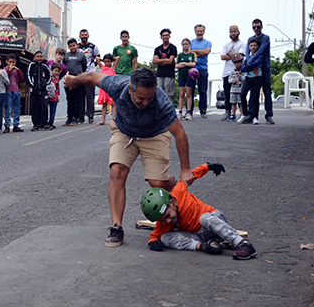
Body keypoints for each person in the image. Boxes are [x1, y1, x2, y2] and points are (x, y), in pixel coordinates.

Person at [65, 67, 192, 247]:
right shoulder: (117, 85)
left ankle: (178, 193)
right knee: (117, 172)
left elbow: (180, 134)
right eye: (141, 98)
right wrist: (74, 80)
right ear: (130, 89)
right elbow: (91, 76)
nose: (146, 102)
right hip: (124, 132)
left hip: (155, 135)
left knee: (157, 183)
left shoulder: (161, 101)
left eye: (150, 98)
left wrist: (185, 170)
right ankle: (117, 227)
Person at [141, 163, 257, 260]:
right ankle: (205, 246)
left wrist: (207, 167)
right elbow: (155, 235)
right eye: (163, 220)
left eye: (168, 215)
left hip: (212, 221)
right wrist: (153, 243)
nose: (168, 220)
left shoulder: (178, 191)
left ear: (172, 202)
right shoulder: (164, 222)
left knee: (204, 218)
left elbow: (191, 175)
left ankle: (243, 244)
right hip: (199, 236)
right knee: (165, 237)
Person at [242, 19, 274, 124]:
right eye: (254, 27)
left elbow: (261, 51)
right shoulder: (250, 39)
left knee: (267, 92)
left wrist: (250, 62)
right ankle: (251, 115)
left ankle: (269, 115)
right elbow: (247, 52)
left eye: (258, 27)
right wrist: (249, 63)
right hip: (252, 70)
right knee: (253, 93)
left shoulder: (265, 38)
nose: (256, 29)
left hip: (264, 68)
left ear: (261, 27)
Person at [219, 25, 245, 120]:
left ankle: (242, 113)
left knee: (240, 94)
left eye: (234, 31)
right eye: (231, 32)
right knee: (227, 94)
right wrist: (234, 55)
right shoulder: (227, 45)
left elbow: (240, 56)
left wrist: (229, 54)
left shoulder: (242, 44)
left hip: (239, 73)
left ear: (238, 32)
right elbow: (222, 57)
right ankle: (228, 112)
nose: (233, 33)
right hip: (227, 72)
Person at [79, 29, 101, 123]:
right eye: (82, 35)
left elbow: (98, 58)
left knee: (90, 96)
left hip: (90, 74)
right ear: (79, 36)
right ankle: (80, 116)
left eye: (85, 34)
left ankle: (90, 116)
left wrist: (93, 66)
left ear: (88, 35)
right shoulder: (77, 47)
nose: (84, 36)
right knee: (80, 96)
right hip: (80, 74)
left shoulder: (93, 47)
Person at [63, 38, 87, 125]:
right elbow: (63, 66)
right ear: (68, 47)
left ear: (77, 45)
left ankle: (76, 118)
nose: (72, 47)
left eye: (74, 45)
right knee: (69, 99)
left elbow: (84, 67)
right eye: (70, 46)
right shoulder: (66, 56)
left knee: (78, 99)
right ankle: (69, 117)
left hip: (78, 80)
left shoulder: (81, 55)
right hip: (68, 80)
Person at [190, 24, 212, 118]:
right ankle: (189, 110)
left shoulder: (207, 42)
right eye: (198, 31)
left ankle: (203, 110)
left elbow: (206, 52)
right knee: (190, 90)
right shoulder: (190, 42)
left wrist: (195, 52)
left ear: (204, 32)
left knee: (202, 90)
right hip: (192, 68)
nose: (199, 33)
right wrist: (200, 52)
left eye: (201, 31)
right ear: (195, 32)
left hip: (203, 69)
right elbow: (189, 53)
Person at [240, 38, 263, 125]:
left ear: (258, 47)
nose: (253, 47)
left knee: (254, 97)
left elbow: (257, 63)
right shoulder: (248, 57)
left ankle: (255, 116)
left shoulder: (260, 55)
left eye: (255, 45)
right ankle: (245, 113)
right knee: (243, 94)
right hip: (248, 78)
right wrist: (249, 66)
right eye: (251, 45)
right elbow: (242, 69)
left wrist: (249, 65)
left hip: (257, 78)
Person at [27, 50, 52, 131]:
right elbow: (28, 75)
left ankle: (44, 123)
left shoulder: (45, 67)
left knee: (44, 107)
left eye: (41, 56)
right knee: (35, 108)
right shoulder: (31, 65)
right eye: (37, 56)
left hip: (44, 91)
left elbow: (49, 76)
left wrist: (46, 84)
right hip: (34, 91)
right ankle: (36, 124)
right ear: (34, 58)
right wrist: (33, 86)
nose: (39, 58)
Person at [152, 29, 177, 100]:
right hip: (159, 74)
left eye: (166, 35)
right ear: (161, 37)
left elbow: (170, 61)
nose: (165, 37)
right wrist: (166, 59)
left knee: (168, 94)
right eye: (163, 35)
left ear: (169, 36)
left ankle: (168, 110)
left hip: (169, 74)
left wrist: (160, 61)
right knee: (158, 93)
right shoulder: (157, 49)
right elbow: (154, 61)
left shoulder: (173, 48)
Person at [175, 39, 196, 120]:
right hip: (181, 76)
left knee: (189, 93)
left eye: (186, 44)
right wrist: (187, 64)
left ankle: (188, 112)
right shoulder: (180, 55)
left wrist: (183, 63)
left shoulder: (192, 54)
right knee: (181, 94)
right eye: (183, 44)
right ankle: (180, 112)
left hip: (189, 76)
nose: (185, 46)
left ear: (189, 44)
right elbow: (177, 65)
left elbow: (193, 64)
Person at [3, 53, 24, 133]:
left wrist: (18, 70)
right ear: (7, 62)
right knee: (8, 108)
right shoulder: (4, 70)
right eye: (10, 62)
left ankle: (16, 125)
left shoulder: (17, 70)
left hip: (16, 90)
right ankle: (7, 126)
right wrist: (9, 70)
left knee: (17, 108)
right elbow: (5, 79)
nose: (12, 64)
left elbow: (22, 78)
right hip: (8, 91)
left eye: (13, 62)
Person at [96, 54, 116, 125]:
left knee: (113, 104)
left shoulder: (113, 68)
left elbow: (118, 58)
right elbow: (97, 58)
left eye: (108, 62)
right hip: (103, 89)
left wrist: (112, 59)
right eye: (105, 62)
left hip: (111, 88)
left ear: (111, 62)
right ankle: (103, 120)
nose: (107, 63)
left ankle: (113, 119)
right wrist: (102, 60)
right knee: (104, 105)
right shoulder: (102, 67)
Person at [227, 56, 245, 121]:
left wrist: (240, 76)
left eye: (239, 62)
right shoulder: (232, 72)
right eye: (236, 63)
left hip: (240, 90)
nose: (237, 64)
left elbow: (245, 79)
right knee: (233, 103)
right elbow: (229, 80)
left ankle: (242, 114)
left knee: (241, 103)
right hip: (233, 90)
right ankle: (233, 114)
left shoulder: (244, 71)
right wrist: (232, 81)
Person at [48, 64, 62, 129]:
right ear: (51, 70)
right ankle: (46, 123)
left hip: (54, 97)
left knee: (53, 111)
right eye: (55, 70)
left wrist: (57, 97)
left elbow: (57, 88)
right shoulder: (48, 78)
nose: (56, 72)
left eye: (58, 71)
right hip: (47, 97)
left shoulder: (57, 79)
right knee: (46, 110)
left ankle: (51, 123)